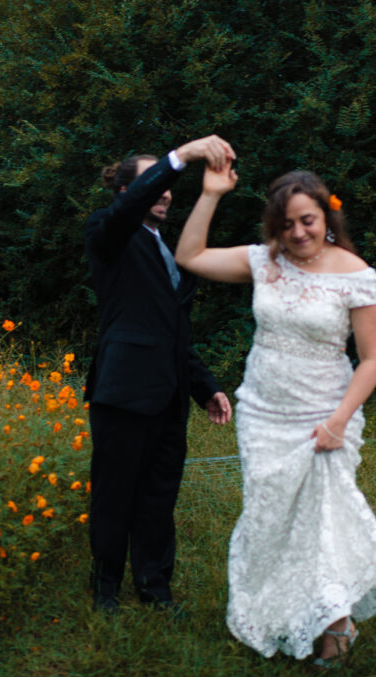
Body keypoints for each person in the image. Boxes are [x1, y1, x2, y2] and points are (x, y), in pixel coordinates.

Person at [175, 164, 376, 666]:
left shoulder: (357, 276)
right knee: (271, 519)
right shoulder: (263, 262)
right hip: (262, 413)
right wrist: (212, 193)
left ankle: (336, 630)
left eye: (308, 220)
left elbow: (372, 359)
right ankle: (286, 614)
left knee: (322, 519)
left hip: (325, 414)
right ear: (274, 227)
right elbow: (189, 255)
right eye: (287, 224)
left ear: (326, 217)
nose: (299, 232)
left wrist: (338, 421)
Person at [83, 135, 235, 613]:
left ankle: (155, 587)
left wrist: (204, 387)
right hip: (123, 391)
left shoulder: (170, 252)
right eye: (154, 185)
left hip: (168, 396)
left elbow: (173, 331)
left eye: (169, 185)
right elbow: (127, 211)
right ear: (131, 192)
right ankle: (105, 586)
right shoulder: (110, 234)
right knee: (115, 492)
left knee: (158, 495)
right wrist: (180, 159)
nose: (166, 193)